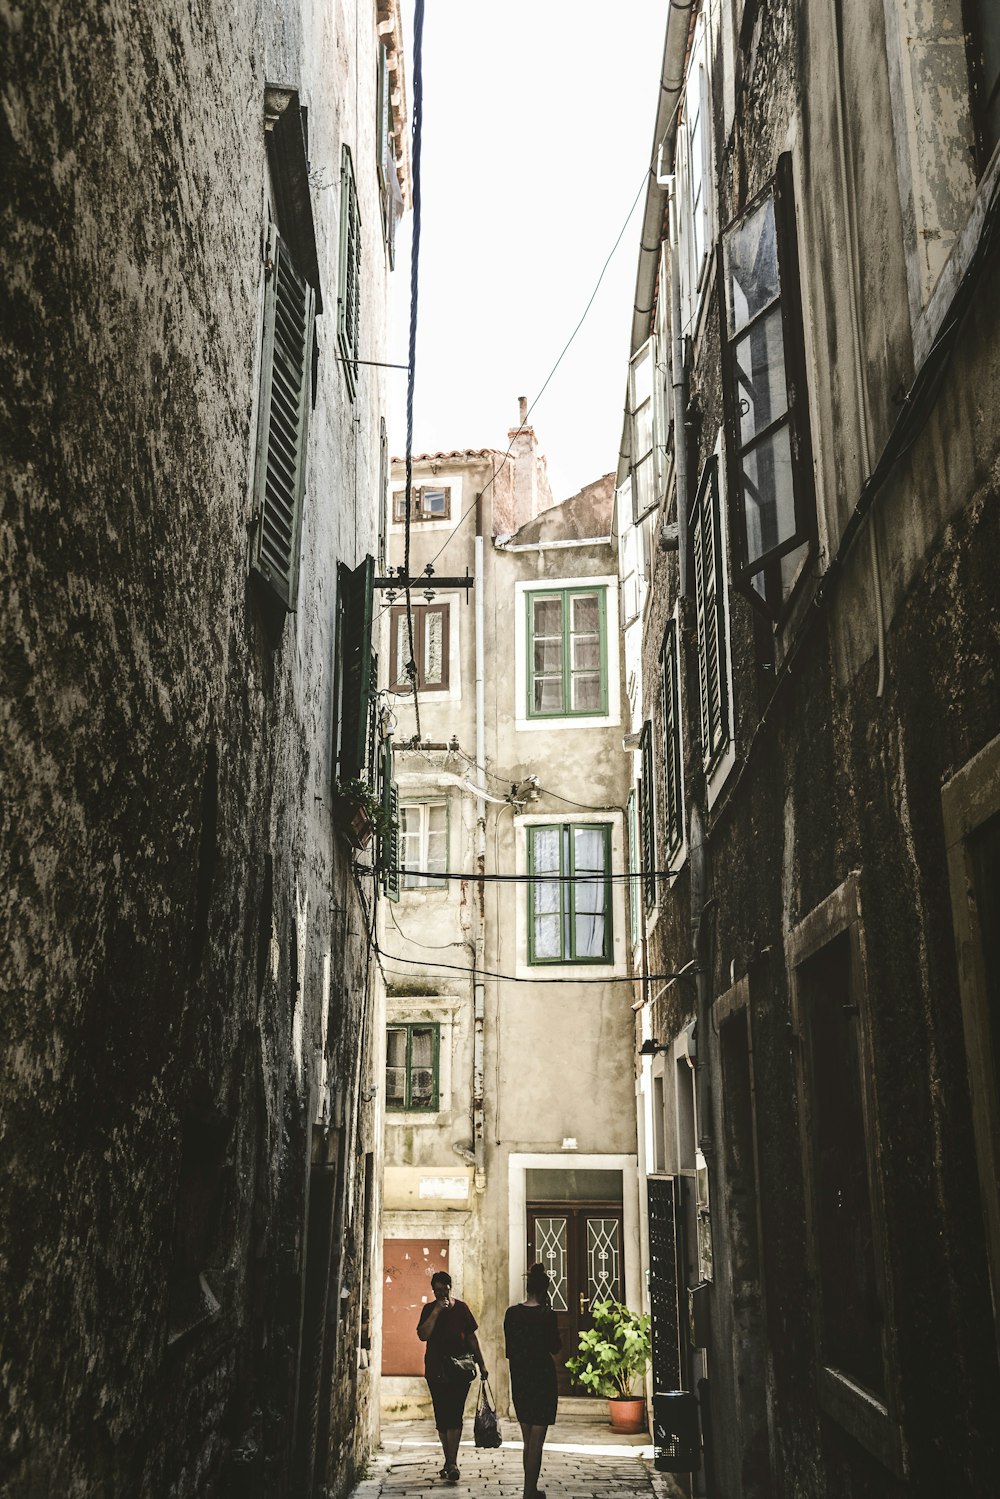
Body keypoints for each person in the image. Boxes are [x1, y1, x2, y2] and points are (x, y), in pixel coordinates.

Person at [417, 1270, 488, 1482]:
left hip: (459, 1370)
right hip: (436, 1369)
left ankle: (452, 1462)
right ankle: (448, 1460)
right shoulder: (429, 1309)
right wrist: (437, 1311)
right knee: (442, 1416)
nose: (442, 1295)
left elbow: (472, 1339)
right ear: (433, 1291)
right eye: (438, 1291)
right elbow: (423, 1335)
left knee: (454, 1413)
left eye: (445, 1290)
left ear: (450, 1288)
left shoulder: (462, 1309)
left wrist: (481, 1363)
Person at [504, 1263, 561, 1499]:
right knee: (537, 1440)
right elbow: (555, 1347)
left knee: (528, 1439)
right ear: (544, 1290)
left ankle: (530, 1488)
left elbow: (510, 1350)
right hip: (542, 1379)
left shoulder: (512, 1314)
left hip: (520, 1378)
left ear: (528, 1288)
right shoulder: (547, 1315)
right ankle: (529, 1491)